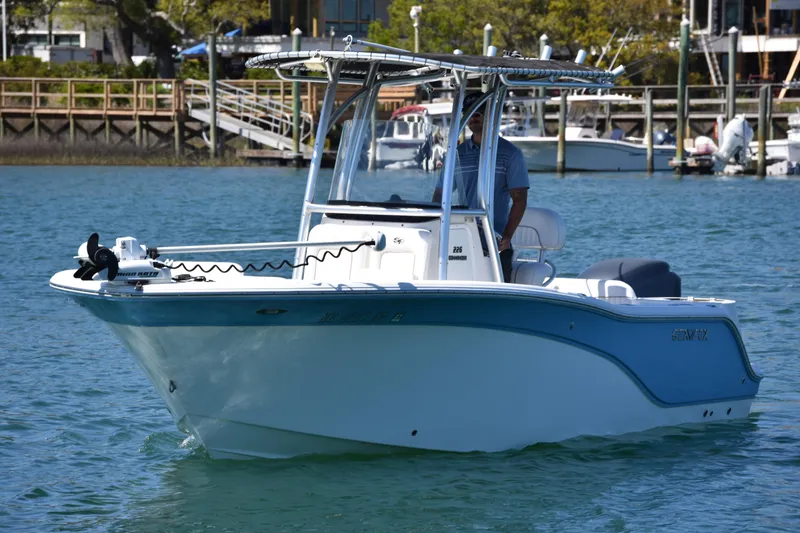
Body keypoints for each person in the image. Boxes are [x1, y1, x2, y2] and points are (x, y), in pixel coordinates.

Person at [432, 92, 530, 282]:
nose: (474, 116)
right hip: (463, 238)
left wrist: (507, 237)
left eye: (479, 112)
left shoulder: (510, 154)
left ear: (491, 116)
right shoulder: (456, 155)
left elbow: (520, 200)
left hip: (496, 243)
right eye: (469, 112)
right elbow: (439, 194)